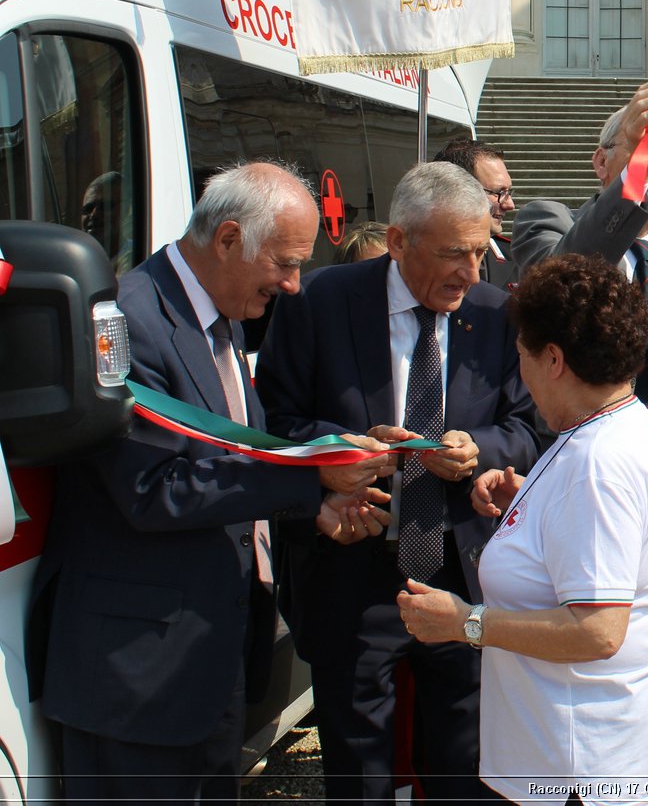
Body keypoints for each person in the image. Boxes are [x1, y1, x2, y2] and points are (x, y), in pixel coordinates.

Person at [33, 161, 394, 803]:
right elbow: (154, 489)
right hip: (137, 681)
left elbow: (224, 460)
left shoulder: (217, 317)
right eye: (284, 263)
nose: (292, 285)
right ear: (227, 239)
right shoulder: (127, 321)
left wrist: (318, 500)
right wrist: (310, 482)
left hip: (208, 667)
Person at [256, 161, 540, 805]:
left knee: (463, 769)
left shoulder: (496, 314)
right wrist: (334, 455)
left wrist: (481, 449)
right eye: (452, 255)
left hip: (463, 573)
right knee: (358, 777)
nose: (471, 272)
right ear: (398, 241)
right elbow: (272, 422)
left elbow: (527, 426)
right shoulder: (320, 302)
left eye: (478, 251)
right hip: (351, 571)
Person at [399, 253, 648, 806]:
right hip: (597, 753)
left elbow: (597, 632)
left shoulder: (597, 461)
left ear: (553, 358)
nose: (522, 373)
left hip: (582, 768)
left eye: (522, 357)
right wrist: (530, 503)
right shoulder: (616, 423)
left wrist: (467, 623)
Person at [510, 80, 648, 433]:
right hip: (577, 446)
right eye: (642, 149)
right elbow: (561, 285)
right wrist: (633, 176)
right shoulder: (546, 220)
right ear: (601, 161)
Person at [433, 137, 519, 289]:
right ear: (457, 190)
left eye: (509, 192)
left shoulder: (518, 259)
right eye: (499, 192)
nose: (510, 205)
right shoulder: (422, 259)